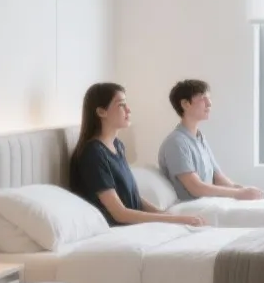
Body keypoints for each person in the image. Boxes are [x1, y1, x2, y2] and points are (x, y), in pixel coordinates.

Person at [69, 83, 203, 227]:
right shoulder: (93, 154)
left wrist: (166, 216)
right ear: (101, 112)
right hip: (118, 229)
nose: (128, 110)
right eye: (121, 105)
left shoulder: (118, 146)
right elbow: (119, 213)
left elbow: (134, 199)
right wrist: (174, 220)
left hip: (133, 225)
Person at [159, 79, 264, 204]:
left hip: (207, 202)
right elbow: (196, 188)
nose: (209, 103)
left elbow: (218, 177)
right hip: (192, 207)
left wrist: (243, 190)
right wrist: (237, 194)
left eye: (209, 98)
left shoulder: (199, 138)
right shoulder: (175, 142)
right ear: (185, 104)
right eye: (203, 98)